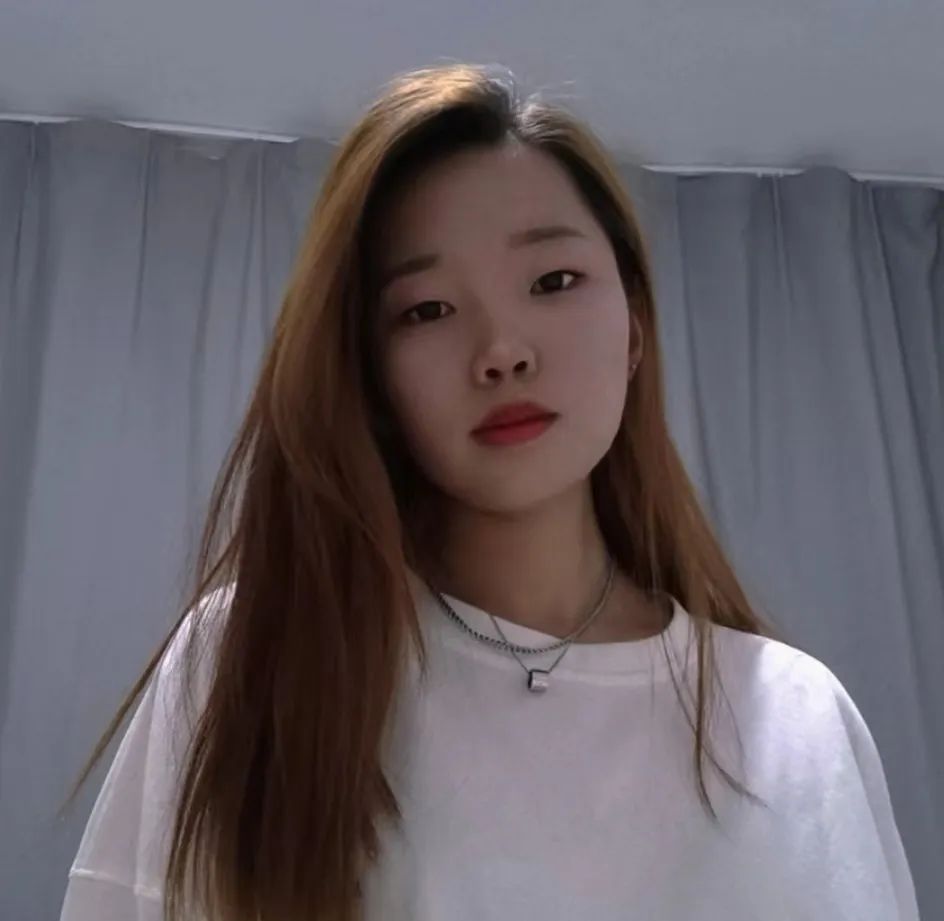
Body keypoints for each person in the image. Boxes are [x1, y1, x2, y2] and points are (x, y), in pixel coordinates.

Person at [58, 63, 920, 921]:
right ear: (370, 373)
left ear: (634, 327)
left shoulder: (797, 718)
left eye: (553, 282)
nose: (502, 350)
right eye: (427, 309)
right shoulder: (262, 661)